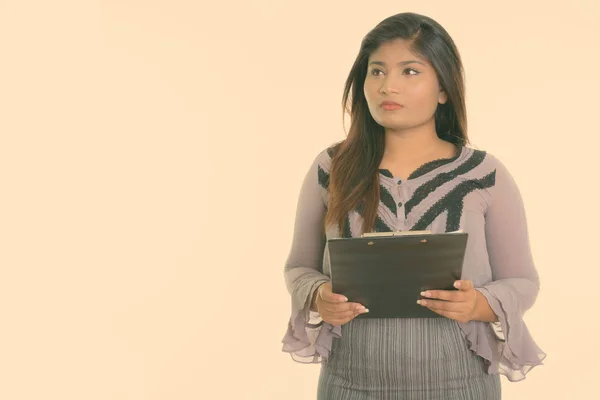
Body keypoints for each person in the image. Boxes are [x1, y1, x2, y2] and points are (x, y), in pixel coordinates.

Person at [281, 12, 546, 400]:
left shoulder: (484, 174)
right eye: (376, 71)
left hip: (461, 387)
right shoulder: (331, 168)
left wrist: (478, 303)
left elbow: (523, 282)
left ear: (443, 89)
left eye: (409, 71)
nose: (388, 86)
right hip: (349, 387)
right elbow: (298, 268)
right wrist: (320, 294)